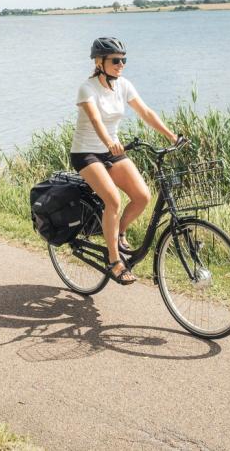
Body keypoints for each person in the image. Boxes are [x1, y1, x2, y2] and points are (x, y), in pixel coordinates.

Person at [70, 37, 177, 285]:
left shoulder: (123, 85)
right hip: (87, 153)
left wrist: (171, 135)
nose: (121, 65)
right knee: (114, 200)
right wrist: (108, 142)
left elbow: (146, 112)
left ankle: (117, 233)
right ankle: (114, 261)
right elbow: (96, 120)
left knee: (142, 196)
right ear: (99, 62)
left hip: (112, 151)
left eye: (124, 60)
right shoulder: (87, 89)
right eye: (116, 60)